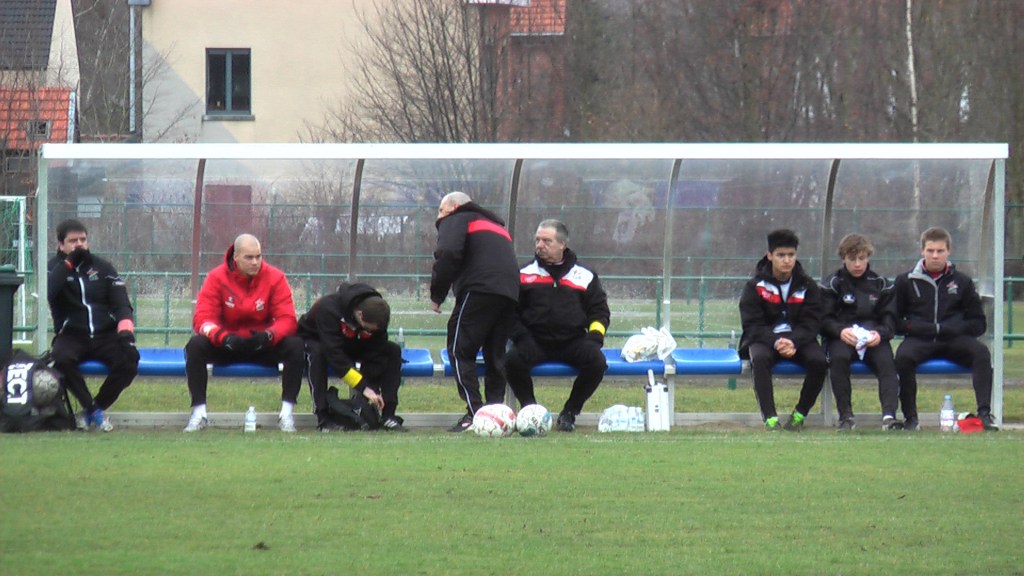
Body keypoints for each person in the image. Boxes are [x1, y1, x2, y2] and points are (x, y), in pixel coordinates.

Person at [183, 234, 304, 433]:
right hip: (228, 345)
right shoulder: (216, 278)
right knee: (195, 346)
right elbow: (202, 319)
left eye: (258, 256)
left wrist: (268, 335)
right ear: (236, 257)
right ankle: (199, 414)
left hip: (262, 345)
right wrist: (223, 337)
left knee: (296, 345)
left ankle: (286, 414)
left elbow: (288, 319)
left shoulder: (275, 277)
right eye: (249, 257)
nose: (255, 262)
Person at [505, 219, 610, 432]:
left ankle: (570, 412)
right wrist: (521, 337)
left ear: (562, 244)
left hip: (572, 341)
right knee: (512, 361)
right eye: (537, 240)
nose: (540, 245)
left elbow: (599, 312)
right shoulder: (523, 274)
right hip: (533, 341)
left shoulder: (585, 276)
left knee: (597, 363)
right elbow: (509, 313)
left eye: (547, 241)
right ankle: (531, 411)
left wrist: (594, 338)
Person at [430, 191, 519, 432]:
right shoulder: (497, 227)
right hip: (510, 293)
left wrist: (437, 294)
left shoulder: (457, 218)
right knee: (495, 355)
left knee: (459, 350)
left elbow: (447, 253)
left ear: (454, 206)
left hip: (479, 289)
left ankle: (475, 413)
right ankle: (495, 414)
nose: (438, 217)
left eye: (441, 210)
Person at [894, 227, 998, 431]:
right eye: (930, 250)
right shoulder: (905, 281)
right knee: (903, 357)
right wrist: (919, 328)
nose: (935, 256)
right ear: (922, 251)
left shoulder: (962, 282)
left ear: (948, 251)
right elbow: (895, 322)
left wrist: (954, 328)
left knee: (981, 353)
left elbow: (978, 323)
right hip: (920, 339)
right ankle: (910, 418)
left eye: (940, 251)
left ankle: (984, 414)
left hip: (954, 339)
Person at [46, 219, 139, 432]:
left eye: (83, 239)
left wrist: (125, 332)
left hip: (105, 335)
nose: (79, 244)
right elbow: (50, 291)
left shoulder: (103, 267)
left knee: (130, 360)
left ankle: (93, 409)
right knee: (60, 359)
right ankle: (92, 409)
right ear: (61, 245)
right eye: (73, 241)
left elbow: (122, 304)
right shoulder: (54, 268)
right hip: (72, 335)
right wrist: (69, 263)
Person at [738, 229, 827, 431]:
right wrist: (776, 341)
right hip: (765, 339)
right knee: (759, 358)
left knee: (819, 361)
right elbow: (752, 325)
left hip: (798, 340)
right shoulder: (755, 286)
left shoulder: (807, 285)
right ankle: (770, 419)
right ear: (769, 255)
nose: (786, 260)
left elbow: (812, 322)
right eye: (781, 255)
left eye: (791, 255)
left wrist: (793, 341)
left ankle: (800, 414)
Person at [298, 282, 405, 432]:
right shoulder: (328, 308)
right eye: (368, 329)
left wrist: (371, 390)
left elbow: (377, 347)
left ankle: (387, 415)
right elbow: (335, 356)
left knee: (392, 350)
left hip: (350, 343)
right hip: (318, 341)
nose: (370, 332)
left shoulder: (377, 312)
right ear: (360, 314)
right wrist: (363, 387)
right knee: (317, 353)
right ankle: (323, 417)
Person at [820, 233, 899, 431]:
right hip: (842, 338)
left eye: (861, 258)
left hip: (873, 338)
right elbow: (823, 320)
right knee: (838, 359)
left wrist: (879, 334)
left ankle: (889, 417)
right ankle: (846, 417)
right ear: (843, 258)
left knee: (887, 361)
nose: (857, 264)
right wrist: (840, 331)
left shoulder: (881, 284)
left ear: (868, 257)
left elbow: (890, 321)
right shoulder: (832, 284)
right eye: (852, 259)